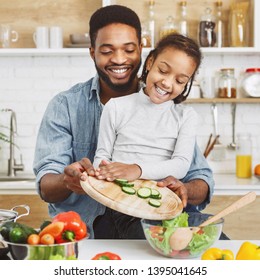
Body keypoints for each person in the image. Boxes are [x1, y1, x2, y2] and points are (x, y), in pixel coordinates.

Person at [33, 5, 215, 239]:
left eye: (128, 49)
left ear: (142, 50)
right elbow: (47, 185)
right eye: (107, 51)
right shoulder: (65, 106)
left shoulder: (176, 114)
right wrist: (67, 180)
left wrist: (184, 189)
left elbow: (200, 179)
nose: (119, 59)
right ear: (92, 52)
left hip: (157, 220)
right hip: (88, 230)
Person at [93, 33, 201, 183]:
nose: (167, 83)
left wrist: (137, 170)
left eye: (180, 80)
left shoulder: (186, 116)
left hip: (159, 200)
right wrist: (102, 171)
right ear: (150, 62)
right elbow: (101, 157)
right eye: (163, 71)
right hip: (116, 195)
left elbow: (181, 165)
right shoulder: (116, 107)